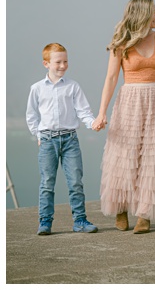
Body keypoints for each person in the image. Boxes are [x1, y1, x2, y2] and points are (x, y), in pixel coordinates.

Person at [93, 0, 155, 234]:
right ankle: (120, 208)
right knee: (124, 155)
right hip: (129, 101)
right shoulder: (121, 43)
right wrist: (101, 113)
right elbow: (111, 79)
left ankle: (144, 214)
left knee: (153, 156)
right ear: (143, 14)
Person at [26, 43, 100, 235]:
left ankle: (80, 221)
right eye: (58, 62)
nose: (63, 65)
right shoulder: (37, 89)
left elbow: (83, 110)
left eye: (65, 61)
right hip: (48, 141)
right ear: (46, 63)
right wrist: (38, 135)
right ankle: (45, 222)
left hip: (70, 141)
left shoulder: (73, 86)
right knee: (47, 183)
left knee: (75, 181)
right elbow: (31, 115)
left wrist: (93, 123)